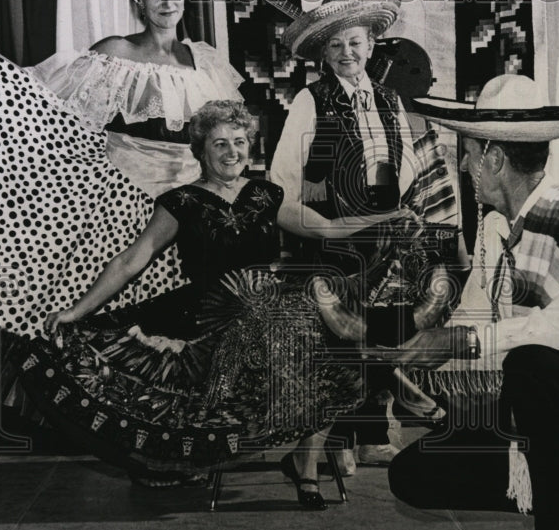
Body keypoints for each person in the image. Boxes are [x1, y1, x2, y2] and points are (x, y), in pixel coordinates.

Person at [23, 99, 409, 508]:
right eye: (220, 143)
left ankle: (307, 464)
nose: (231, 152)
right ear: (201, 151)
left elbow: (328, 229)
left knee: (340, 348)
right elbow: (130, 261)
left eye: (239, 142)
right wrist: (77, 311)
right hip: (205, 318)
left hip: (269, 308)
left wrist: (390, 216)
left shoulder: (266, 194)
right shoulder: (181, 202)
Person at [380, 74, 559, 530]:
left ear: (494, 158)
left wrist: (460, 340)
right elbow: (473, 317)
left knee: (534, 367)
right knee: (413, 475)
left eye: (469, 152)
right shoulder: (496, 225)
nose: (463, 164)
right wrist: (415, 362)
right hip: (541, 396)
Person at [0, 0, 245, 341]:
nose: (167, 1)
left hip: (192, 215)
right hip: (125, 208)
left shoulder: (207, 61)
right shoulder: (118, 53)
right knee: (117, 327)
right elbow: (51, 110)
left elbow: (229, 139)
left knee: (182, 335)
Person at [270, 0, 460, 473]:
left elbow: (408, 174)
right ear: (323, 54)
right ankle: (338, 438)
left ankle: (363, 434)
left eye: (355, 42)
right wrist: (328, 229)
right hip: (331, 240)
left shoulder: (390, 100)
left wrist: (402, 218)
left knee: (386, 327)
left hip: (386, 241)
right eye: (335, 45)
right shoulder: (310, 102)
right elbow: (287, 189)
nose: (346, 53)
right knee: (342, 337)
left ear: (372, 44)